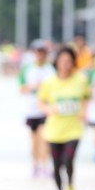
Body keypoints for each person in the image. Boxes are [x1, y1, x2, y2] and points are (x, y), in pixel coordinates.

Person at [38, 45, 90, 190]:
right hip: (54, 130)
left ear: (73, 62)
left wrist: (84, 111)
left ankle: (71, 185)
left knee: (68, 160)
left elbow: (86, 97)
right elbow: (41, 102)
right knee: (56, 165)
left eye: (68, 61)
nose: (65, 65)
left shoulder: (81, 80)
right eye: (62, 61)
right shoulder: (49, 82)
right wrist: (49, 110)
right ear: (57, 62)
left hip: (73, 129)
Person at [18, 39, 55, 177]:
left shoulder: (51, 69)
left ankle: (44, 165)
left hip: (45, 109)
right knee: (34, 140)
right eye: (38, 52)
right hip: (31, 109)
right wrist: (33, 86)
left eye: (43, 52)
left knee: (44, 138)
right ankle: (35, 165)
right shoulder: (27, 69)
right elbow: (21, 89)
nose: (40, 55)